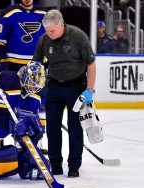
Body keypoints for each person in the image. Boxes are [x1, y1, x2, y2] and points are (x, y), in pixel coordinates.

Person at [32, 10, 97, 178]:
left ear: (62, 25)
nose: (49, 34)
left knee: (75, 128)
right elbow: (36, 63)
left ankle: (74, 166)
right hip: (53, 88)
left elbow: (91, 64)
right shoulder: (44, 40)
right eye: (46, 30)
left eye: (52, 31)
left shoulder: (78, 36)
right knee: (52, 128)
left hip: (76, 88)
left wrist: (89, 90)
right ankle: (55, 164)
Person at [0, 0, 46, 73]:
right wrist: (1, 60)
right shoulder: (9, 13)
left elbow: (49, 38)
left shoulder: (44, 13)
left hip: (37, 64)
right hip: (13, 64)